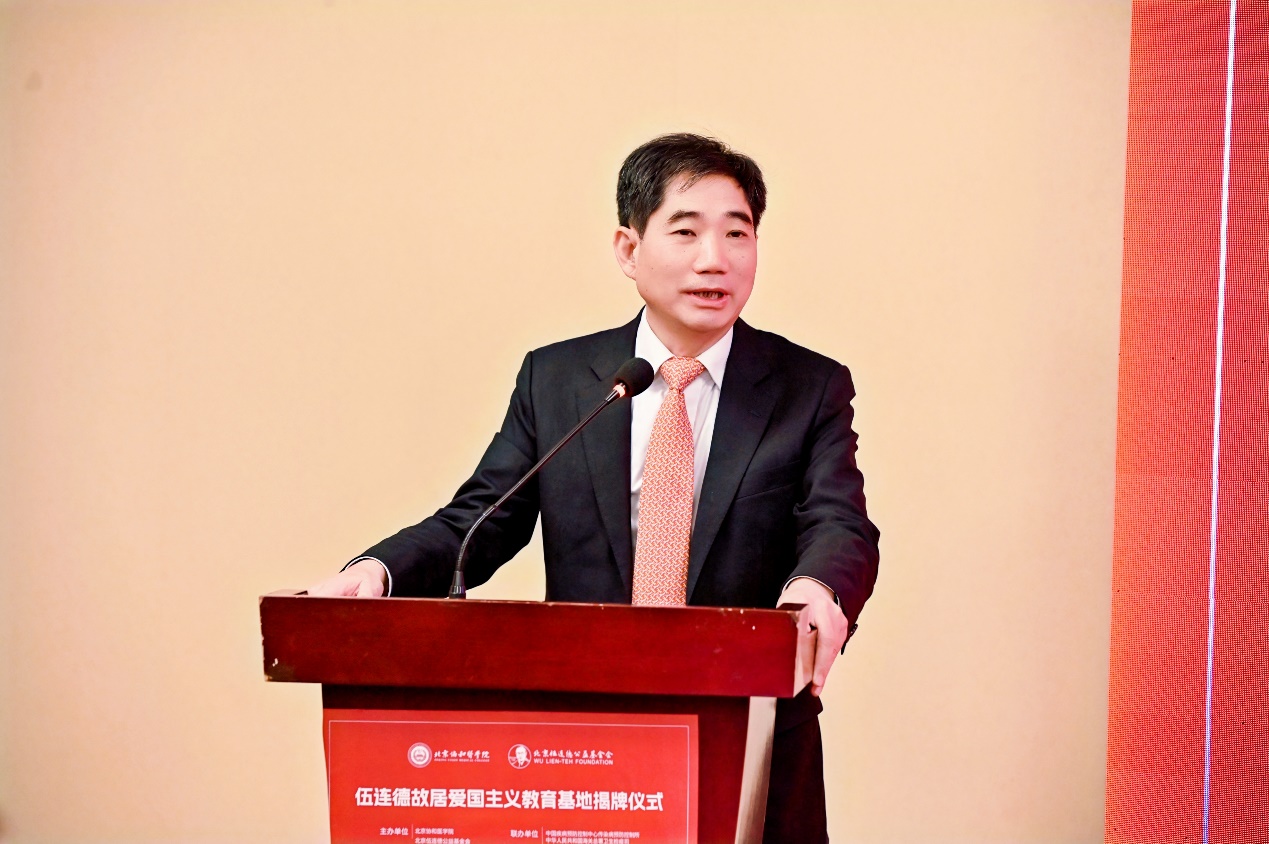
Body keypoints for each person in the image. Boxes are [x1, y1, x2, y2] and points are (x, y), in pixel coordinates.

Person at [308, 133, 880, 842]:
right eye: (686, 231)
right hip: (588, 745)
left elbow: (837, 521)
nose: (715, 258)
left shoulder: (807, 385)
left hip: (752, 734)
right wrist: (377, 571)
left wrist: (817, 589)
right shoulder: (558, 380)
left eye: (737, 233)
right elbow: (480, 519)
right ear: (628, 249)